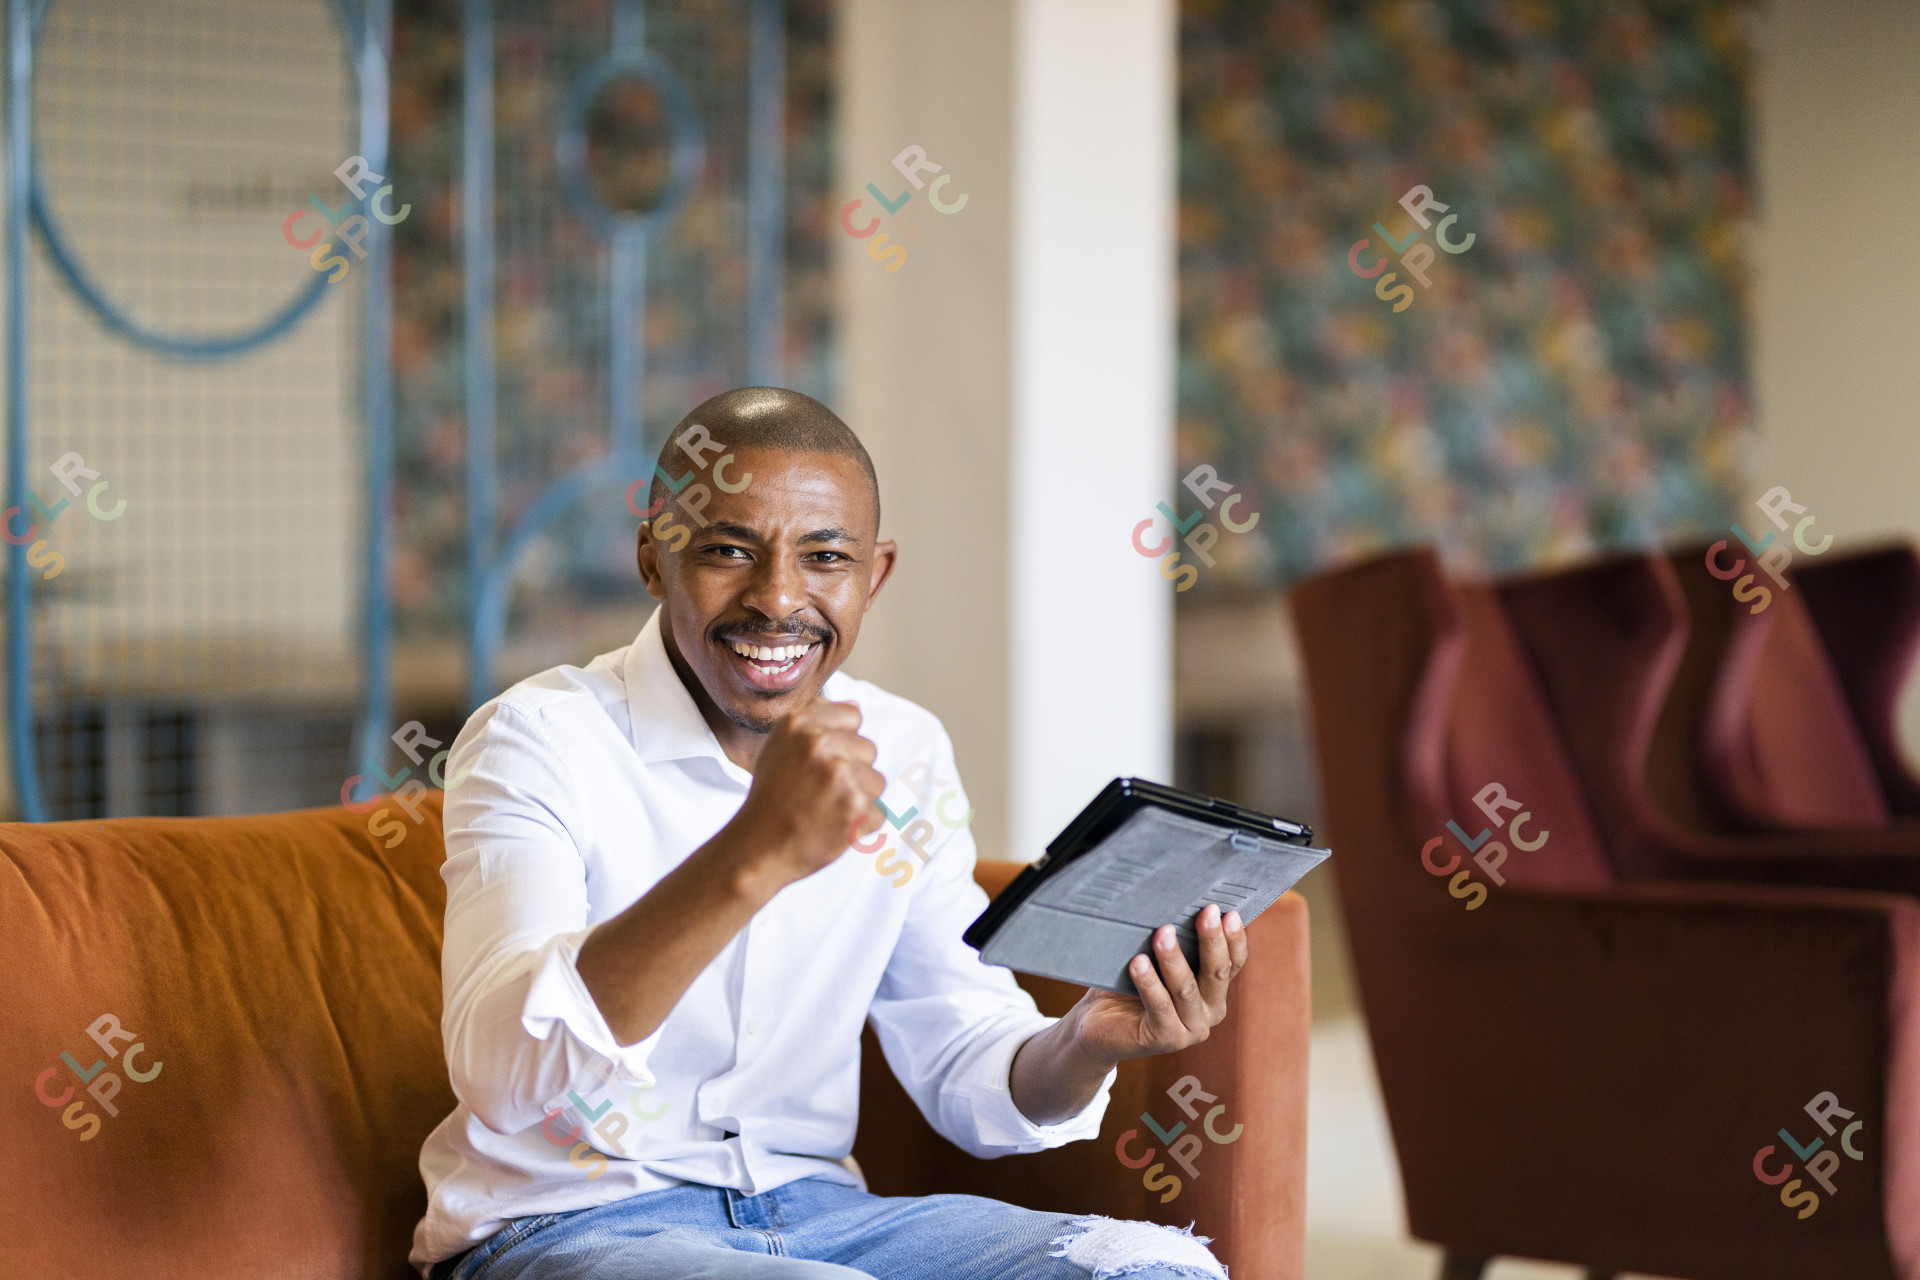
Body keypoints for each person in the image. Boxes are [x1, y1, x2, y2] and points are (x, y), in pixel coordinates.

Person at [411, 387, 1248, 1280]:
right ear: (655, 560)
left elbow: (961, 1046)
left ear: (873, 576)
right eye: (728, 550)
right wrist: (754, 852)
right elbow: (504, 1074)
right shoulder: (537, 738)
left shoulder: (903, 749)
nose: (778, 598)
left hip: (822, 1217)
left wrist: (1084, 1042)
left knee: (1154, 1268)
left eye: (825, 558)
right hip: (568, 1225)